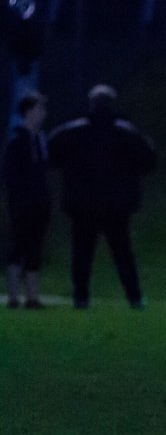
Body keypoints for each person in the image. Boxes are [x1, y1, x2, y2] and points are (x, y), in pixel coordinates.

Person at [47, 84, 157, 309]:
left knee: (82, 254)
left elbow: (51, 156)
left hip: (83, 204)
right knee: (123, 254)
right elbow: (148, 162)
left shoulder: (71, 131)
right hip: (117, 204)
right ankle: (134, 297)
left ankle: (81, 298)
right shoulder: (126, 131)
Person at [4, 92, 51, 308]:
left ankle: (32, 296)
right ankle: (14, 296)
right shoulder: (17, 141)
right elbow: (11, 176)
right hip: (23, 202)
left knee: (34, 247)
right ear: (29, 111)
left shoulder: (40, 140)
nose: (43, 113)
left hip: (39, 201)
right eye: (40, 109)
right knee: (20, 245)